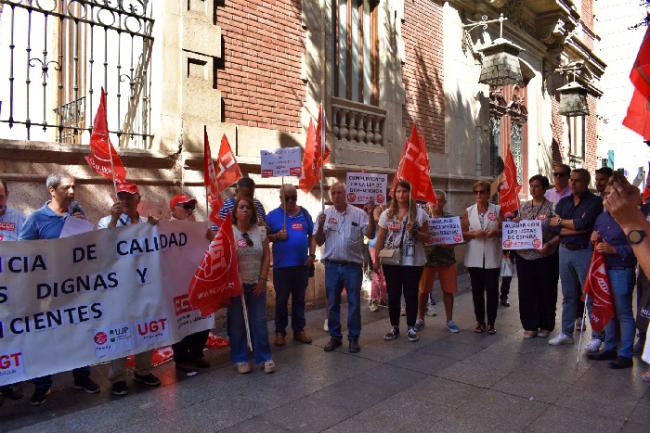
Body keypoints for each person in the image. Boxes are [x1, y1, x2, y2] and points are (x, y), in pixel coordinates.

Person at [19, 173, 100, 405]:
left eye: (74, 187)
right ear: (52, 191)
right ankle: (43, 385)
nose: (73, 192)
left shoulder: (78, 216)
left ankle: (82, 376)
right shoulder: (36, 219)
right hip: (47, 291)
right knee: (45, 337)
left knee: (78, 332)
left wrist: (81, 224)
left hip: (75, 288)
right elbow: (22, 252)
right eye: (67, 188)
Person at [97, 182, 162, 396]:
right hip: (118, 289)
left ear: (138, 200)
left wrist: (156, 227)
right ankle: (117, 377)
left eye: (130, 197)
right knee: (120, 330)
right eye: (121, 196)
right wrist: (114, 220)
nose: (125, 200)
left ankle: (143, 370)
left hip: (143, 286)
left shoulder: (147, 223)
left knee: (146, 326)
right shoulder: (106, 221)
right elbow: (100, 249)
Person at [314, 182, 376, 353]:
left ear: (346, 194)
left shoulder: (359, 214)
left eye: (339, 192)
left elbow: (370, 234)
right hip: (332, 266)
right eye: (333, 193)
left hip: (352, 267)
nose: (336, 196)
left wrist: (371, 215)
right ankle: (335, 337)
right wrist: (320, 225)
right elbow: (318, 241)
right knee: (333, 303)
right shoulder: (324, 215)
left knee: (354, 303)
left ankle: (354, 338)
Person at [548, 168, 604, 348]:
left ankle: (597, 336)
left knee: (589, 294)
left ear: (586, 183)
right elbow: (553, 227)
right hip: (564, 250)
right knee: (568, 294)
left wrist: (565, 223)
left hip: (583, 251)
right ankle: (566, 333)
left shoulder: (595, 202)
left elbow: (585, 224)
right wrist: (574, 226)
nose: (572, 183)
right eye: (571, 180)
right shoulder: (564, 202)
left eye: (577, 180)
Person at [586, 185, 637, 369]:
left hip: (621, 269)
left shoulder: (629, 217)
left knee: (623, 313)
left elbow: (639, 248)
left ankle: (625, 354)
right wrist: (593, 241)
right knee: (607, 309)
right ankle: (609, 348)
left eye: (611, 194)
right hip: (603, 270)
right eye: (604, 194)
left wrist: (615, 249)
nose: (606, 197)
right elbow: (594, 246)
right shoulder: (601, 217)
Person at [373, 180, 430, 342]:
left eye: (404, 191)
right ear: (394, 194)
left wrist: (417, 233)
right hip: (391, 261)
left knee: (411, 294)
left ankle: (411, 327)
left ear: (410, 194)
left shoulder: (420, 214)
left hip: (413, 261)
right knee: (393, 294)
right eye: (398, 192)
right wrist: (376, 261)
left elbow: (428, 238)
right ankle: (394, 327)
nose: (401, 195)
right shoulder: (386, 214)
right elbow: (380, 239)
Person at [228, 195, 275, 374]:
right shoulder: (229, 232)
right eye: (241, 207)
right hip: (237, 285)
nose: (245, 210)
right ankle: (240, 358)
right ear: (235, 211)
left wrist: (263, 279)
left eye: (248, 207)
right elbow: (225, 258)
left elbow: (266, 256)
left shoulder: (260, 231)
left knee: (259, 321)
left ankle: (264, 357)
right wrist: (234, 280)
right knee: (237, 322)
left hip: (257, 283)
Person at [266, 184, 315, 346]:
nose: (292, 200)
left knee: (299, 300)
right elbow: (264, 238)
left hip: (301, 265)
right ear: (281, 198)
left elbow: (312, 235)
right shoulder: (272, 216)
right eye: (288, 198)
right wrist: (277, 236)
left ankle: (299, 330)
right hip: (282, 267)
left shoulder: (304, 213)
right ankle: (280, 332)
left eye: (294, 197)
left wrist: (312, 255)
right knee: (281, 300)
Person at [168, 194, 211, 376]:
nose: (189, 210)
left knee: (202, 316)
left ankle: (196, 353)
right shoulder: (166, 228)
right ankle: (182, 359)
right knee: (181, 320)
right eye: (184, 206)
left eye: (191, 207)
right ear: (173, 209)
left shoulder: (197, 227)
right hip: (176, 283)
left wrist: (205, 233)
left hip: (197, 281)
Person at [514, 175, 560, 339]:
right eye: (531, 186)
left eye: (537, 186)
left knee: (546, 290)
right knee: (526, 291)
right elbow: (516, 230)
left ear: (545, 188)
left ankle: (546, 324)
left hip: (545, 255)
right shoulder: (524, 207)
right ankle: (530, 325)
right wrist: (515, 225)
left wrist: (549, 245)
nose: (533, 189)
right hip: (524, 256)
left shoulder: (553, 208)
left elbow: (559, 233)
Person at [415, 191, 460, 334]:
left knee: (448, 291)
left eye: (440, 201)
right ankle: (420, 319)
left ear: (445, 202)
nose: (437, 204)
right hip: (427, 261)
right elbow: (416, 237)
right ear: (428, 202)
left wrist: (451, 244)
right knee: (423, 292)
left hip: (447, 260)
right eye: (434, 201)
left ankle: (450, 320)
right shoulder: (422, 218)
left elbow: (457, 238)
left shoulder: (451, 218)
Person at [462, 181, 503, 335]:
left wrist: (496, 233)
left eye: (482, 192)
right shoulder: (469, 211)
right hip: (474, 257)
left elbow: (505, 230)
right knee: (477, 291)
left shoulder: (497, 210)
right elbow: (462, 233)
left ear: (488, 194)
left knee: (492, 290)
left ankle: (491, 322)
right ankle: (480, 322)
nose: (479, 195)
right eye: (476, 192)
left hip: (492, 255)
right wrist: (474, 234)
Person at [0, 178, 25, 405]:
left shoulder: (18, 218)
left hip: (10, 292)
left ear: (7, 195)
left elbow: (27, 250)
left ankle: (8, 384)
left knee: (8, 338)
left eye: (0, 195)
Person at [368, 203, 388, 311]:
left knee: (385, 275)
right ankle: (374, 300)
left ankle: (383, 298)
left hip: (386, 247)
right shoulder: (376, 209)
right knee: (377, 273)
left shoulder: (386, 209)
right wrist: (383, 214)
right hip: (374, 247)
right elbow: (376, 219)